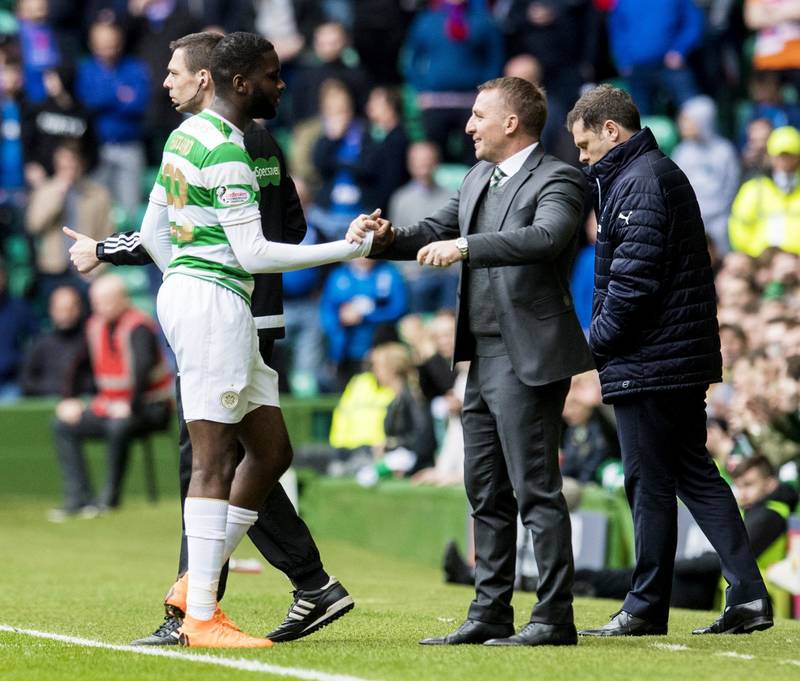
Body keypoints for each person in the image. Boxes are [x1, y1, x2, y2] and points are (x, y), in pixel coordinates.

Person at [65, 32, 355, 647]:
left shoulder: (183, 137)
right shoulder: (228, 149)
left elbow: (154, 234)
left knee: (270, 453)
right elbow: (254, 252)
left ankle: (194, 588)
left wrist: (183, 278)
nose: (281, 84)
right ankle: (200, 615)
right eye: (272, 75)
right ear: (240, 82)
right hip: (215, 308)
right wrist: (348, 248)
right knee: (212, 460)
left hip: (211, 303)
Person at [349, 76, 593, 647]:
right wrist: (383, 237)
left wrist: (464, 247)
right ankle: (490, 613)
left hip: (527, 356)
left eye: (479, 115)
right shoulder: (477, 176)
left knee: (535, 491)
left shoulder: (558, 177)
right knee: (484, 490)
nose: (468, 126)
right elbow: (431, 231)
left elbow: (546, 237)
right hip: (480, 357)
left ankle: (553, 618)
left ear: (512, 122)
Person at [567, 84, 772, 636]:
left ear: (611, 130)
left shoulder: (639, 181)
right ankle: (749, 596)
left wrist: (589, 346)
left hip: (651, 360)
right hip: (674, 355)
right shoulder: (649, 174)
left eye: (585, 145)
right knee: (694, 475)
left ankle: (644, 607)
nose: (582, 158)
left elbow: (632, 286)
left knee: (650, 482)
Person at [572, 455, 798, 611]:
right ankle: (581, 581)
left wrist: (680, 564)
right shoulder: (753, 511)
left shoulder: (771, 514)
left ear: (770, 485)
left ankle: (584, 583)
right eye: (739, 486)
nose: (742, 493)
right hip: (708, 578)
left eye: (749, 485)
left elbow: (732, 555)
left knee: (648, 577)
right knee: (634, 576)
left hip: (711, 584)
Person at [50, 274, 172, 520]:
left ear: (122, 299)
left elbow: (142, 370)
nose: (98, 307)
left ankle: (108, 499)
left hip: (151, 408)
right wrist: (69, 399)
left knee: (119, 427)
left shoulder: (139, 326)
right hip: (111, 408)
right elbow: (78, 366)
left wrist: (130, 406)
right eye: (95, 302)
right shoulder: (95, 326)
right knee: (62, 425)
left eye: (104, 301)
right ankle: (78, 498)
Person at [25, 139, 114, 303]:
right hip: (52, 270)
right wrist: (57, 196)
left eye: (72, 166)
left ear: (82, 164)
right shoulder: (44, 191)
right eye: (63, 167)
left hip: (86, 270)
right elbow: (34, 225)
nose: (68, 172)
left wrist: (98, 268)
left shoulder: (98, 195)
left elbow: (108, 235)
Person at [728, 125, 800, 257]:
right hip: (761, 260)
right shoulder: (754, 189)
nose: (785, 161)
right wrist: (754, 257)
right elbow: (738, 227)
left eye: (790, 155)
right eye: (780, 156)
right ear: (770, 157)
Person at [20, 285, 92, 397]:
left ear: (79, 309)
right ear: (51, 310)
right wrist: (56, 388)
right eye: (61, 309)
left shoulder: (89, 342)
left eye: (70, 309)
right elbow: (26, 381)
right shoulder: (40, 343)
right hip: (46, 399)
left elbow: (97, 379)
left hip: (81, 398)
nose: (66, 315)